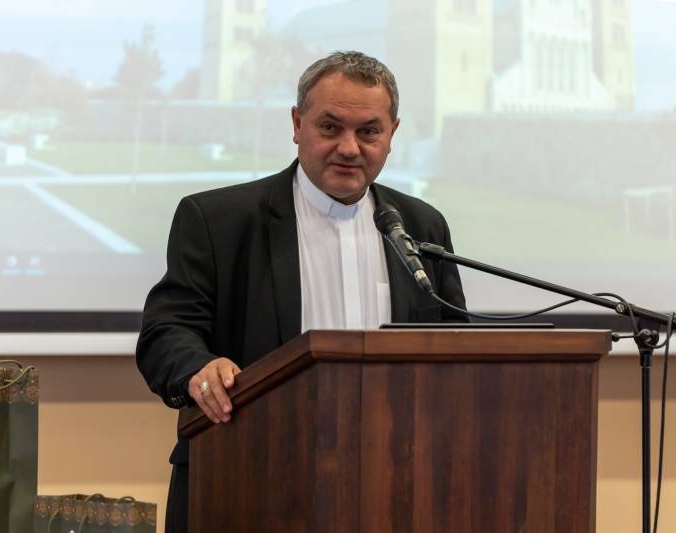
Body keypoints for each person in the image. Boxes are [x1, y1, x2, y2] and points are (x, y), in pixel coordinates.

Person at [136, 51, 468, 532]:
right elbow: (167, 331)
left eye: (369, 131)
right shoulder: (218, 220)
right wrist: (198, 369)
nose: (349, 148)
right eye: (330, 127)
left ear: (392, 134)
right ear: (297, 124)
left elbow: (457, 345)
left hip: (396, 485)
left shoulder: (420, 225)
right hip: (247, 478)